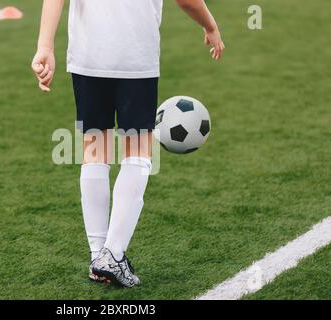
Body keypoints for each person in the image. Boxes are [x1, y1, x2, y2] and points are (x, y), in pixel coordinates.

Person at [31, 0, 225, 287]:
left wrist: (45, 46)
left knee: (94, 149)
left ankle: (99, 256)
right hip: (134, 55)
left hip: (88, 55)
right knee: (138, 149)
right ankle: (113, 253)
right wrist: (210, 25)